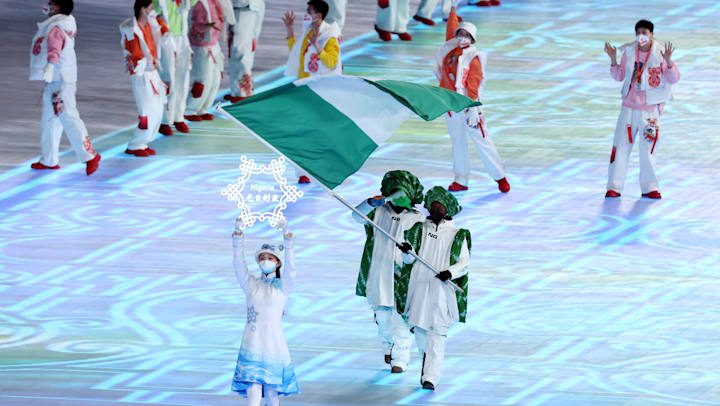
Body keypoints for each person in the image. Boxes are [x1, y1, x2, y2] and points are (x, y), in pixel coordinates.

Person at [397, 186, 470, 390]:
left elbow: (464, 262)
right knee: (420, 332)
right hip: (419, 286)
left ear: (448, 210)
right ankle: (426, 363)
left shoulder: (458, 234)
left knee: (437, 333)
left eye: (440, 206)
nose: (435, 209)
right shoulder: (419, 229)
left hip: (441, 290)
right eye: (433, 206)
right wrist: (406, 251)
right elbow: (408, 260)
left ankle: (431, 377)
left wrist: (450, 272)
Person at [353, 170, 426, 373]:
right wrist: (369, 202)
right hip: (377, 272)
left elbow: (417, 254)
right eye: (395, 191)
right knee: (382, 315)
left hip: (401, 276)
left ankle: (400, 359)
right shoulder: (378, 211)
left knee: (400, 318)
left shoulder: (417, 219)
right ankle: (388, 344)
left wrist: (408, 253)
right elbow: (355, 216)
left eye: (402, 192)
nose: (398, 195)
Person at [435, 6, 509, 193]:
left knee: (482, 140)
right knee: (457, 140)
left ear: (472, 39)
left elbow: (474, 83)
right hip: (451, 104)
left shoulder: (474, 57)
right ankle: (461, 179)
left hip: (469, 105)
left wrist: (474, 107)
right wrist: (452, 9)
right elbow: (450, 29)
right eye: (460, 35)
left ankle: (500, 176)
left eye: (466, 36)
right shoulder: (450, 49)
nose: (461, 39)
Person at [603, 20, 680, 199]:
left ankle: (649, 187)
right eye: (638, 32)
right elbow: (619, 76)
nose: (641, 36)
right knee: (620, 146)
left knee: (649, 148)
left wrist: (668, 62)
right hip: (629, 108)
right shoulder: (629, 53)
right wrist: (613, 59)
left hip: (650, 110)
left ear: (651, 34)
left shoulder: (660, 53)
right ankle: (614, 186)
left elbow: (673, 78)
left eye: (644, 32)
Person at [231, 218, 300, 406]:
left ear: (278, 263)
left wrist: (288, 237)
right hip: (252, 343)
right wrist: (238, 237)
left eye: (270, 258)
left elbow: (292, 269)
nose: (265, 261)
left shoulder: (283, 286)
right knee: (253, 393)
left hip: (273, 344)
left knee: (271, 393)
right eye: (262, 258)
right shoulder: (251, 284)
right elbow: (238, 267)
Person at [29, 0, 100, 175]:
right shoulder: (65, 22)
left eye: (52, 4)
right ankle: (49, 159)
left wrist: (51, 66)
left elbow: (55, 49)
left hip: (60, 80)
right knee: (49, 120)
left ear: (58, 8)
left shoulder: (56, 27)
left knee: (68, 117)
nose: (48, 7)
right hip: (57, 80)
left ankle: (90, 155)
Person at [282, 0, 341, 184]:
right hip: (303, 88)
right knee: (300, 131)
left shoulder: (330, 36)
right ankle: (302, 171)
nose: (306, 14)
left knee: (318, 132)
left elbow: (332, 62)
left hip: (320, 92)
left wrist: (317, 45)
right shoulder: (308, 32)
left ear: (319, 15)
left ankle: (320, 168)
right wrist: (290, 30)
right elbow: (296, 52)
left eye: (309, 11)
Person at [120, 0, 168, 157]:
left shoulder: (150, 24)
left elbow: (162, 33)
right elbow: (134, 52)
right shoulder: (131, 29)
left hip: (152, 72)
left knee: (157, 108)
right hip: (141, 75)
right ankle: (135, 144)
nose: (153, 11)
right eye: (151, 8)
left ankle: (144, 141)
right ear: (143, 9)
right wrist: (141, 62)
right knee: (146, 111)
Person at [154, 0, 196, 136]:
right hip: (166, 39)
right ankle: (164, 120)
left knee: (183, 79)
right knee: (167, 79)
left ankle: (178, 116)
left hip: (182, 38)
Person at [184, 0, 225, 122]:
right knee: (202, 80)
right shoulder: (199, 4)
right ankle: (190, 109)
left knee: (215, 78)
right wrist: (210, 26)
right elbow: (196, 25)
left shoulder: (214, 2)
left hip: (213, 45)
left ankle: (203, 107)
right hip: (201, 47)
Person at [225, 0, 266, 103]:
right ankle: (238, 91)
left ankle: (242, 93)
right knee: (244, 50)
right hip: (250, 7)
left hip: (244, 8)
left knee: (240, 51)